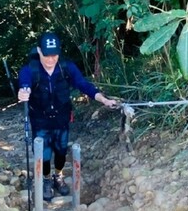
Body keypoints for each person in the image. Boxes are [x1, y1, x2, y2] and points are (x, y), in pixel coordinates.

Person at [17, 31, 119, 200]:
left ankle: (58, 175)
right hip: (39, 119)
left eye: (54, 55)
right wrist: (23, 92)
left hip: (61, 117)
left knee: (61, 151)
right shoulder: (30, 70)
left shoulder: (66, 67)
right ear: (39, 51)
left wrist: (104, 100)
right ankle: (46, 179)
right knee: (44, 154)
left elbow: (83, 85)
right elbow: (24, 85)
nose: (50, 60)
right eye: (47, 55)